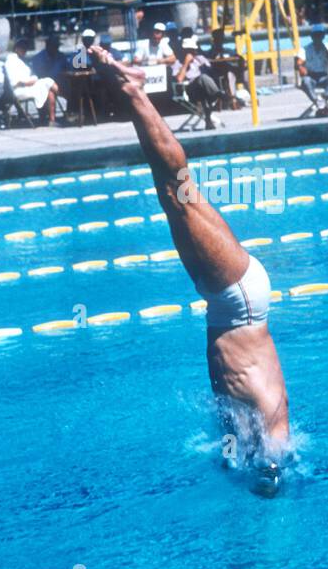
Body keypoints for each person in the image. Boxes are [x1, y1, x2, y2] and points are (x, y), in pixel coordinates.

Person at [90, 44, 290, 482]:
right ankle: (133, 93)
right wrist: (269, 478)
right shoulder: (272, 439)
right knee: (176, 191)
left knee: (177, 193)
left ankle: (133, 93)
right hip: (235, 300)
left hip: (235, 299)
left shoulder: (258, 429)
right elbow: (272, 462)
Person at [4, 40, 58, 124]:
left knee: (49, 89)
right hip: (19, 89)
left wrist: (33, 80)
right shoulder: (10, 62)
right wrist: (28, 83)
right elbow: (14, 83)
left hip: (29, 85)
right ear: (16, 49)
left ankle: (51, 119)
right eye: (22, 49)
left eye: (25, 49)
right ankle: (50, 118)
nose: (24, 51)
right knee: (47, 84)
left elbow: (31, 74)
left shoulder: (22, 61)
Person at [175, 37, 221, 129]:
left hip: (204, 89)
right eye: (190, 51)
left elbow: (212, 72)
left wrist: (203, 64)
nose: (192, 53)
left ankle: (208, 120)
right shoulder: (179, 63)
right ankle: (219, 94)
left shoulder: (200, 59)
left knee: (204, 82)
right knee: (202, 78)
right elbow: (179, 79)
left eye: (193, 51)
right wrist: (186, 63)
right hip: (191, 90)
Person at [296, 23, 328, 116]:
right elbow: (298, 63)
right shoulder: (305, 49)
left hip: (324, 76)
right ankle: (317, 102)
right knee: (306, 81)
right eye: (316, 35)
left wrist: (327, 52)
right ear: (312, 37)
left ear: (323, 36)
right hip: (311, 76)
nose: (318, 37)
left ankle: (323, 100)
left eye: (320, 35)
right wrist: (301, 67)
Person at [207, 27, 245, 108]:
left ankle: (251, 96)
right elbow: (210, 60)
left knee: (241, 73)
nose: (220, 40)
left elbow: (237, 57)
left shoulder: (227, 50)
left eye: (221, 38)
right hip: (217, 73)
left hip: (230, 70)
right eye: (218, 38)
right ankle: (233, 99)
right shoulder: (212, 51)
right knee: (229, 74)